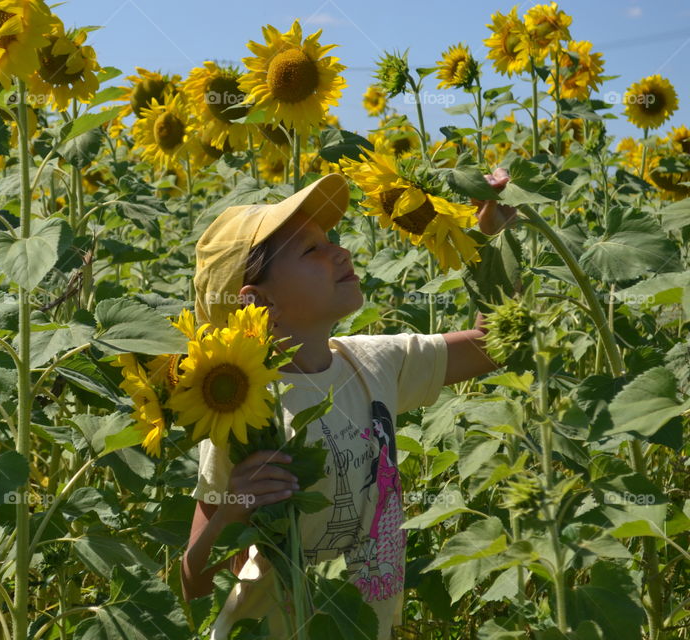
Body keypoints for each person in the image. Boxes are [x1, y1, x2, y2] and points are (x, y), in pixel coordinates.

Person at [180, 170, 517, 639]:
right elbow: (194, 579)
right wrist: (237, 503)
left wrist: (491, 237)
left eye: (330, 240)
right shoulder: (243, 413)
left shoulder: (371, 362)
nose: (340, 251)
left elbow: (488, 344)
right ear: (257, 302)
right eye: (311, 250)